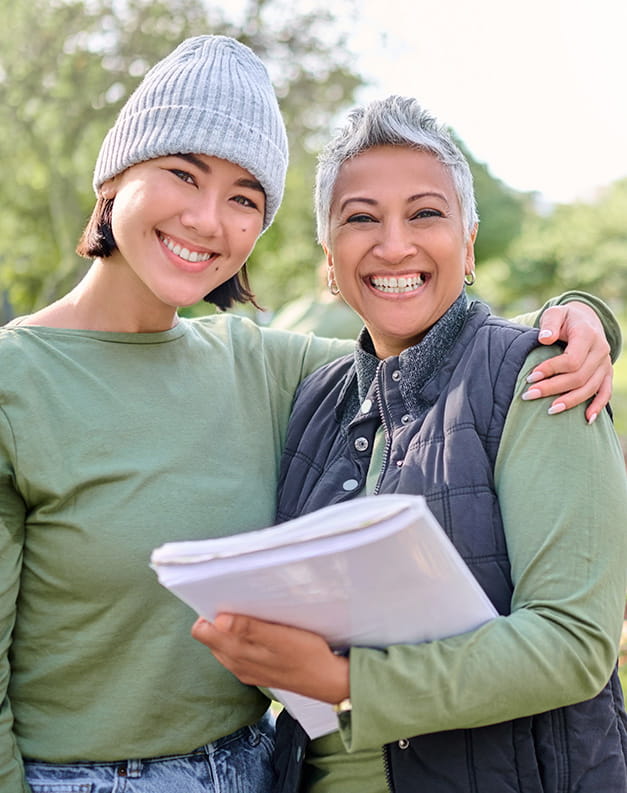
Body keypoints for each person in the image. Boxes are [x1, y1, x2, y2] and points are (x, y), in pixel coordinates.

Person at [0, 35, 618, 793]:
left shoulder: (257, 364)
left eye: (243, 199)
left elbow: (439, 337)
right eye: (181, 174)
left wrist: (579, 320)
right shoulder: (17, 381)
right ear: (114, 177)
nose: (206, 218)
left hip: (257, 768)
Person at [191, 95, 627, 793]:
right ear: (329, 263)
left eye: (425, 213)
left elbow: (573, 644)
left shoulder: (542, 378)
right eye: (360, 219)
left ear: (469, 242)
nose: (393, 244)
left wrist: (344, 679)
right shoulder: (314, 397)